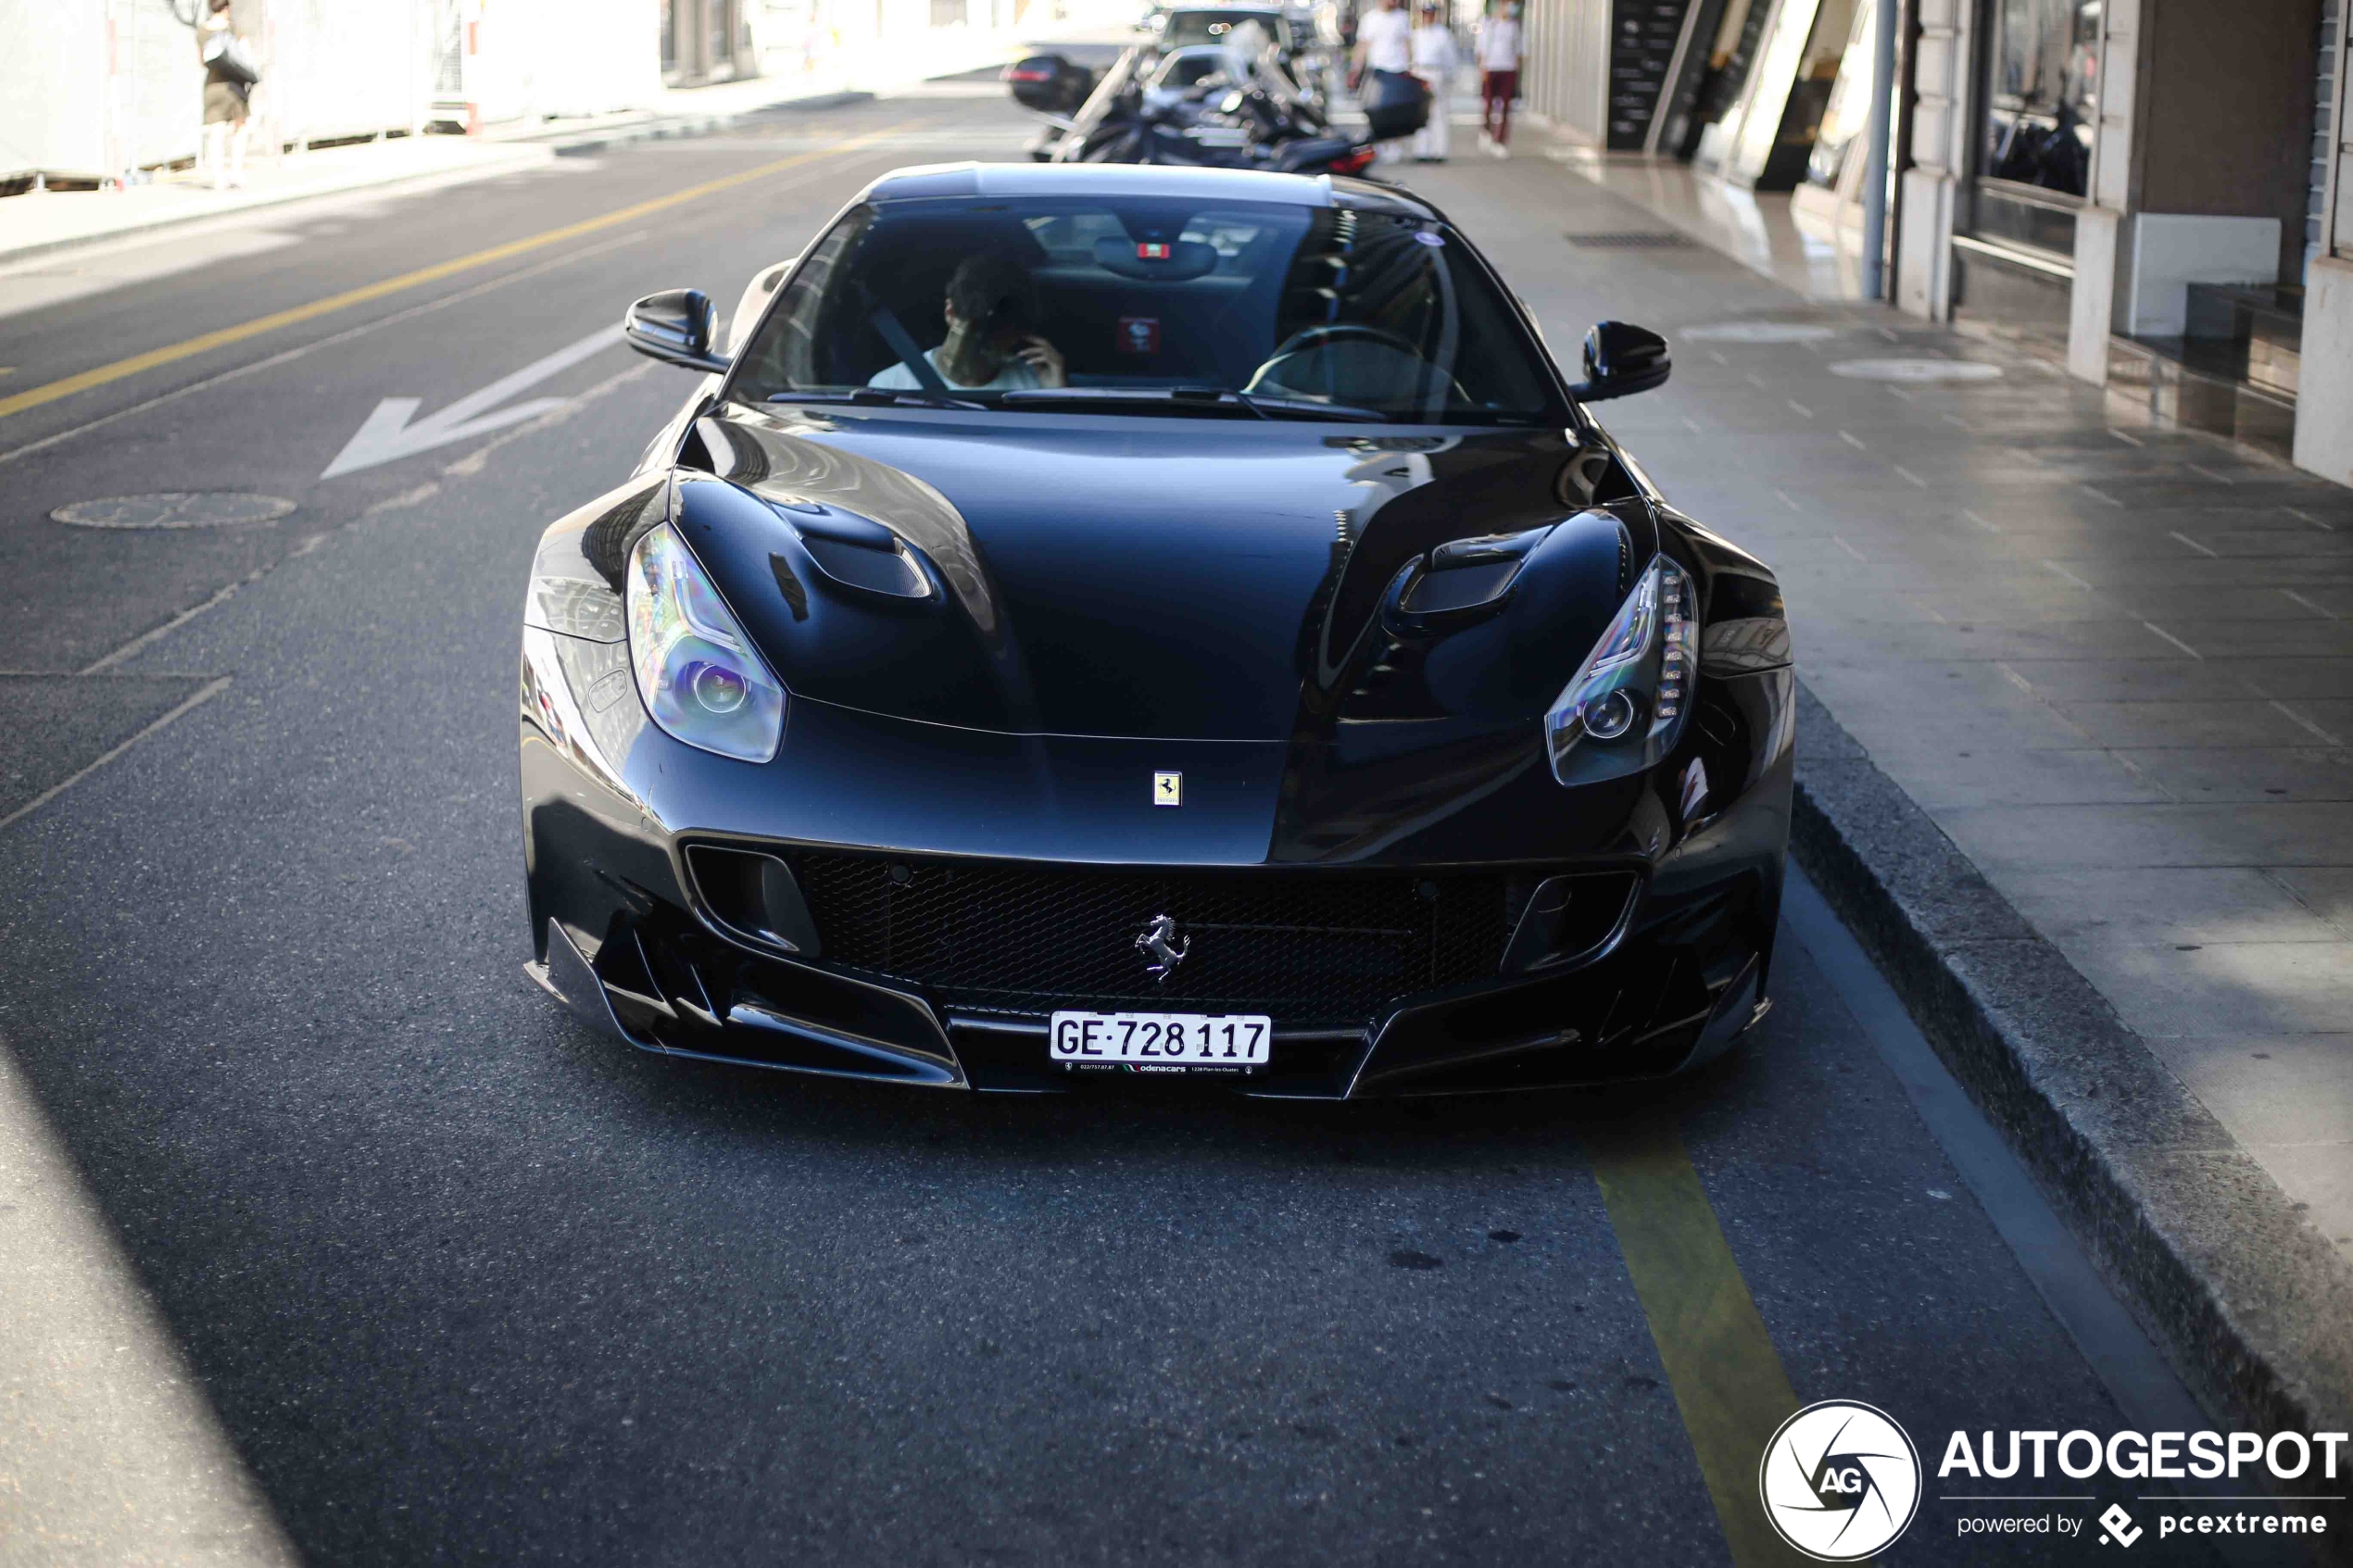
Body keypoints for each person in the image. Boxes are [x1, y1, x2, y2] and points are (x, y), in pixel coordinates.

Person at [869, 252, 1066, 394]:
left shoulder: (1037, 387)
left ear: (1018, 336)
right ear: (950, 312)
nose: (983, 348)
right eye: (978, 331)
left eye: (998, 338)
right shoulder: (890, 387)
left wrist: (1059, 395)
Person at [195, 0, 253, 191]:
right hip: (234, 87)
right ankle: (236, 172)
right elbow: (246, 55)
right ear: (226, 8)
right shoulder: (233, 29)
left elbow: (201, 62)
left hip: (213, 87)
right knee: (240, 128)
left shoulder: (202, 32)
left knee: (216, 132)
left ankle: (218, 177)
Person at [1351, 0, 1414, 165]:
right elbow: (1362, 46)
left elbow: (1408, 44)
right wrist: (1355, 69)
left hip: (1398, 70)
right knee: (1376, 111)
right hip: (1377, 71)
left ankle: (1395, 145)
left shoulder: (1402, 18)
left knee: (1396, 112)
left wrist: (1411, 67)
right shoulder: (1369, 19)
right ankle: (1379, 145)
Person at [1408, 3, 1457, 163]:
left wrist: (1449, 78)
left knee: (1439, 113)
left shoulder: (1443, 34)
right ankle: (1421, 151)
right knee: (1421, 114)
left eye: (1430, 13)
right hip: (1419, 72)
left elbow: (1450, 58)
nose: (1427, 16)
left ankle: (1439, 151)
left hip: (1436, 73)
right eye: (1425, 13)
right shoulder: (1415, 34)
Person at [1477, 0, 1522, 159]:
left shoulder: (1514, 26)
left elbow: (1519, 51)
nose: (1509, 7)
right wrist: (1482, 69)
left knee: (1505, 107)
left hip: (1508, 69)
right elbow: (1481, 49)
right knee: (1488, 104)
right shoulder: (1489, 24)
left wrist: (1517, 73)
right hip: (1491, 68)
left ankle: (1500, 142)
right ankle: (1486, 130)